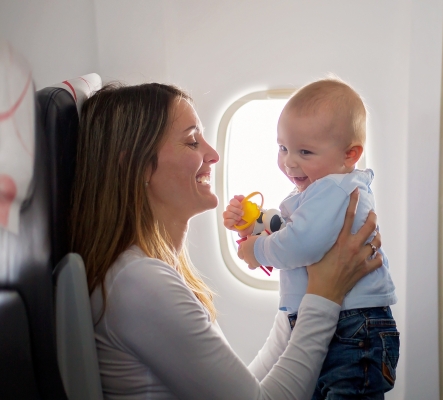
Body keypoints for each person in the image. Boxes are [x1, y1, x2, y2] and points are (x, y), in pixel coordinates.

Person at [69, 82, 383, 400]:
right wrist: (325, 295)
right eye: (192, 142)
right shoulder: (139, 283)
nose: (213, 154)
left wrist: (303, 295)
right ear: (136, 165)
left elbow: (248, 390)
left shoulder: (153, 271)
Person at [223, 78, 399, 399]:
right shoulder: (319, 189)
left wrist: (257, 250)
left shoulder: (332, 187)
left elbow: (301, 243)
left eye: (304, 151)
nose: (289, 161)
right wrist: (255, 224)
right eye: (283, 148)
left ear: (350, 155)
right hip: (345, 324)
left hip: (354, 326)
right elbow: (294, 228)